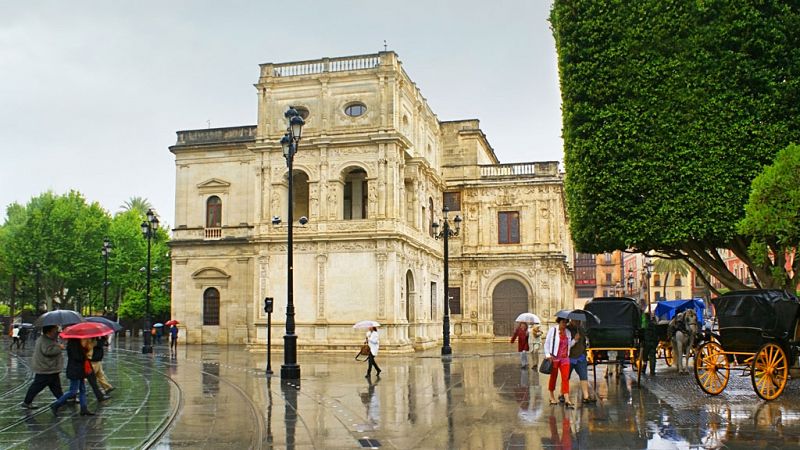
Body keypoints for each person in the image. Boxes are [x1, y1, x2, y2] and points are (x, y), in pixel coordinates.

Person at [22, 325, 65, 409]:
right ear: (49, 331)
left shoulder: (49, 339)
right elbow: (47, 351)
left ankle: (62, 400)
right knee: (37, 386)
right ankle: (27, 402)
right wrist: (59, 347)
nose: (57, 332)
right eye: (55, 330)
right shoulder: (45, 340)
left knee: (55, 386)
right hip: (46, 368)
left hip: (50, 368)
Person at [50, 338, 95, 416]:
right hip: (75, 370)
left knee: (83, 389)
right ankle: (56, 405)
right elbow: (78, 357)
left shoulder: (79, 343)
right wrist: (85, 352)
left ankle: (84, 408)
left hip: (80, 370)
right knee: (73, 391)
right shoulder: (73, 344)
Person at [544, 317, 575, 408]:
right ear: (559, 322)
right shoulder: (553, 330)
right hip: (554, 358)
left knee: (565, 378)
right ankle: (551, 396)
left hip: (565, 358)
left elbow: (568, 344)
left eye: (566, 322)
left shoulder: (568, 332)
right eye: (562, 322)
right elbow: (547, 343)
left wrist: (575, 340)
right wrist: (547, 355)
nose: (564, 324)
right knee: (553, 377)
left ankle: (567, 399)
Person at [567, 319, 595, 403]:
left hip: (581, 357)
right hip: (569, 357)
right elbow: (565, 344)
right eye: (576, 321)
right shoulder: (567, 330)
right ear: (571, 320)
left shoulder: (581, 329)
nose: (578, 322)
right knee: (566, 377)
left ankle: (586, 396)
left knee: (584, 376)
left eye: (579, 321)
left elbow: (584, 341)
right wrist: (574, 340)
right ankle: (563, 394)